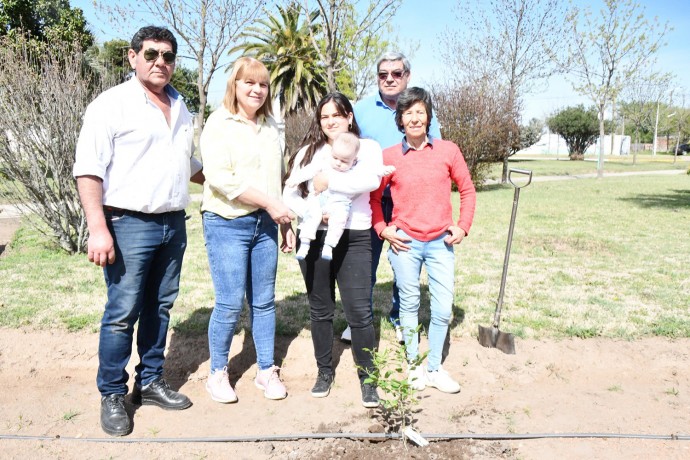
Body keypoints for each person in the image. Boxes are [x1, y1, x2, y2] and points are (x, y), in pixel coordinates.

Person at [74, 26, 204, 437]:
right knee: (121, 314)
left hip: (172, 224)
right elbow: (88, 170)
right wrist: (98, 228)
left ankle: (149, 383)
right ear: (133, 57)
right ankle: (112, 393)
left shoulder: (181, 105)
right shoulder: (110, 105)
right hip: (127, 224)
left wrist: (238, 184)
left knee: (160, 308)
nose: (160, 62)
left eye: (167, 56)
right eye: (151, 54)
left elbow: (190, 164)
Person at [200, 56, 294, 404]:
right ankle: (218, 373)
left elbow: (278, 180)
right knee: (228, 303)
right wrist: (270, 205)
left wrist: (285, 222)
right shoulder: (219, 123)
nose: (256, 90)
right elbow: (221, 179)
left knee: (264, 302)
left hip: (267, 224)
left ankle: (266, 370)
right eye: (248, 83)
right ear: (234, 86)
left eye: (263, 84)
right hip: (228, 222)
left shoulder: (271, 126)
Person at [371, 87, 476, 394]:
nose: (414, 118)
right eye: (407, 113)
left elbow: (467, 190)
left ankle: (435, 369)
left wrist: (463, 226)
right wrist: (383, 228)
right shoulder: (389, 156)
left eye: (420, 112)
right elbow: (374, 198)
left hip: (441, 242)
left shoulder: (448, 151)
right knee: (409, 304)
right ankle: (415, 367)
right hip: (405, 242)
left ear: (428, 116)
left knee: (443, 308)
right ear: (400, 120)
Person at [283, 93, 383, 407]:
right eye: (325, 116)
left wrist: (327, 183)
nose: (331, 121)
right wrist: (312, 208)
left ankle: (368, 380)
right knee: (320, 310)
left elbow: (367, 181)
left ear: (350, 117)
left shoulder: (366, 148)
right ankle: (324, 371)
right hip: (314, 237)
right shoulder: (308, 152)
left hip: (354, 237)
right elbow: (290, 192)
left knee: (359, 313)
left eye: (337, 115)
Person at [347, 51, 443, 344]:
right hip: (369, 200)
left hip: (408, 203)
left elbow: (433, 152)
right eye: (383, 74)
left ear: (407, 76)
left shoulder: (421, 110)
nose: (389, 79)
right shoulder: (360, 109)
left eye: (396, 73)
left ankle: (400, 317)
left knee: (406, 265)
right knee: (365, 264)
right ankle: (359, 321)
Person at [286, 132, 394, 261]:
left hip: (340, 202)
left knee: (339, 221)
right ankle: (305, 243)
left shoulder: (355, 168)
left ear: (353, 160)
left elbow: (371, 169)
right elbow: (309, 171)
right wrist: (295, 179)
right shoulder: (324, 162)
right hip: (319, 198)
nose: (338, 163)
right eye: (335, 158)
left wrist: (383, 170)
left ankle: (329, 245)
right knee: (311, 216)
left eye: (344, 161)